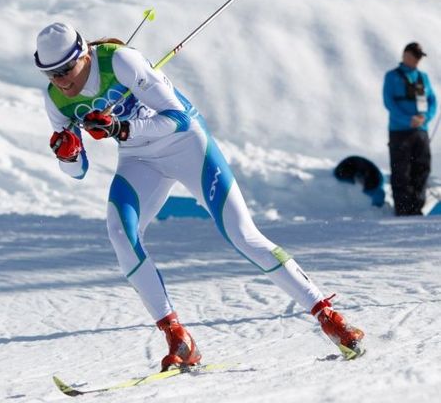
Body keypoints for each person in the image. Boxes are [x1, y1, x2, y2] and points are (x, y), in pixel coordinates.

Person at [35, 22, 365, 368]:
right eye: (50, 73)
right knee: (120, 233)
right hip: (138, 159)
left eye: (66, 69)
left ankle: (329, 317)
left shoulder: (121, 61)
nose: (61, 80)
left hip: (187, 145)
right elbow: (77, 172)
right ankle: (178, 337)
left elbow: (177, 117)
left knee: (241, 234)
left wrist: (122, 127)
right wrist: (68, 154)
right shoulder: (55, 98)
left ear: (84, 54)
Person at [383, 42, 437, 216]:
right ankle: (403, 208)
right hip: (399, 131)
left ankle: (417, 207)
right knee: (401, 170)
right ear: (406, 55)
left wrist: (425, 118)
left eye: (420, 57)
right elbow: (389, 102)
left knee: (422, 168)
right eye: (415, 56)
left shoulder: (423, 77)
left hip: (421, 130)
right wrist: (408, 120)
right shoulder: (392, 77)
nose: (418, 60)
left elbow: (433, 102)